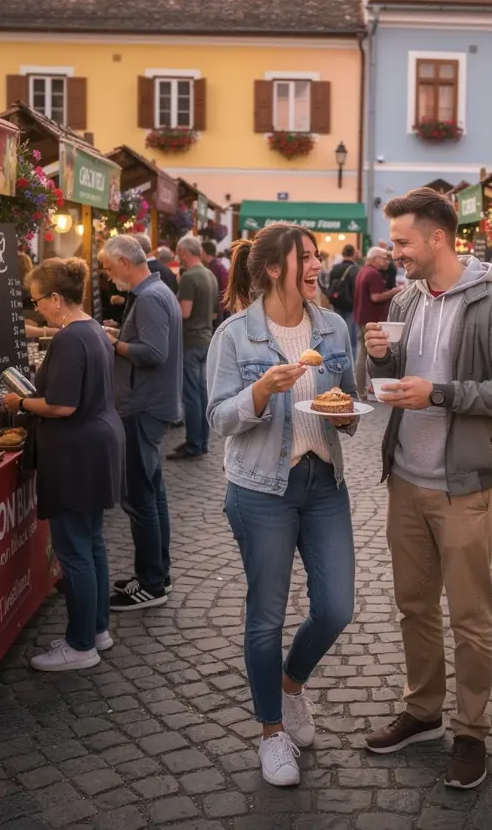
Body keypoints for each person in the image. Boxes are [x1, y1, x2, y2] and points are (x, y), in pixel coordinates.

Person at [363, 188, 492, 790]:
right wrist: (378, 359)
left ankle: (471, 730)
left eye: (403, 242)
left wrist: (439, 393)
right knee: (413, 606)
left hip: (466, 487)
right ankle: (422, 710)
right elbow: (387, 382)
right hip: (406, 480)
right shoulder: (407, 298)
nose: (395, 252)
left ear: (438, 238)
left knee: (470, 617)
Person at [207, 224, 357, 787]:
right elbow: (217, 418)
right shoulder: (235, 335)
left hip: (324, 483)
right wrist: (261, 391)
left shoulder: (333, 327)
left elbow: (345, 399)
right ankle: (271, 732)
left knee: (337, 608)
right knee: (266, 617)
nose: (318, 266)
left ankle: (291, 686)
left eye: (318, 256)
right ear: (274, 269)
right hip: (260, 488)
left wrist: (345, 412)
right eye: (307, 258)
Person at [2, 259, 124, 672]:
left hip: (76, 452)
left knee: (74, 550)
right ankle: (97, 630)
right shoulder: (92, 330)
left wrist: (20, 402)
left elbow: (61, 405)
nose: (36, 309)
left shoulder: (71, 338)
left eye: (37, 300)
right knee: (91, 543)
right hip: (96, 445)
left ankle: (81, 645)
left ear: (56, 298)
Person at [99, 235, 182, 611]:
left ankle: (151, 583)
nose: (106, 274)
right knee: (152, 493)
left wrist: (113, 344)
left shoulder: (149, 297)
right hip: (151, 403)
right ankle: (156, 574)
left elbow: (153, 353)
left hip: (142, 406)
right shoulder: (156, 291)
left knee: (139, 498)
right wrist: (120, 336)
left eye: (107, 266)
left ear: (123, 261)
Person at [170, 235, 217, 460]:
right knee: (201, 394)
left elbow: (184, 312)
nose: (178, 257)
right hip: (206, 338)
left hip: (191, 340)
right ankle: (202, 441)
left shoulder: (189, 277)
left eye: (179, 253)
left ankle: (193, 443)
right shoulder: (209, 274)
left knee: (191, 396)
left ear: (185, 253)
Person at [352, 247, 400, 398]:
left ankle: (362, 389)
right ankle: (363, 390)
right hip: (371, 319)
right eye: (384, 258)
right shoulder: (373, 274)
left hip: (362, 317)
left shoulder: (364, 271)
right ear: (375, 259)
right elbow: (375, 297)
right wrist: (394, 291)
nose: (387, 261)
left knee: (363, 353)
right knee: (368, 354)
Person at [327, 244, 359, 361]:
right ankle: (350, 363)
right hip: (351, 306)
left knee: (337, 335)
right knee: (350, 338)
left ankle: (336, 360)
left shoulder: (335, 268)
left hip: (336, 304)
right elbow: (357, 289)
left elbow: (330, 285)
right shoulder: (355, 270)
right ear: (353, 254)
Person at [202, 240, 230, 329]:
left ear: (203, 252)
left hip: (216, 310)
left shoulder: (217, 267)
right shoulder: (213, 266)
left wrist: (217, 310)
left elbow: (224, 289)